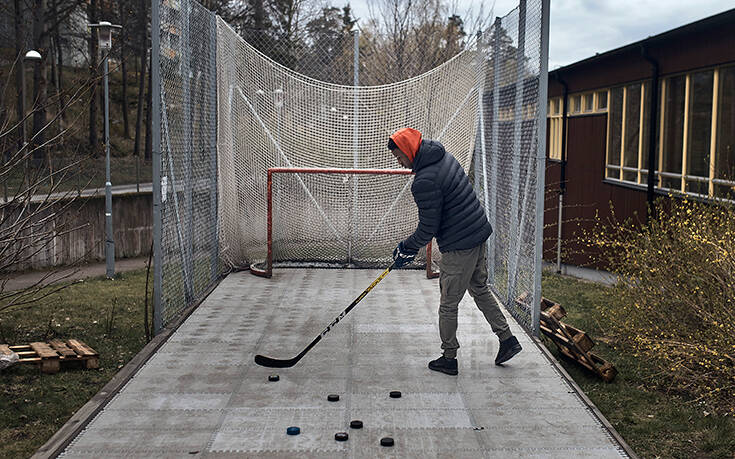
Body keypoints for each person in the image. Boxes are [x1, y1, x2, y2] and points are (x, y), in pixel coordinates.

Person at [388, 127, 522, 375]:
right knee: (479, 289)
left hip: (460, 245)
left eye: (399, 157)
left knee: (448, 304)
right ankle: (508, 340)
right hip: (478, 232)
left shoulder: (424, 181)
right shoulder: (441, 155)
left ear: (409, 151)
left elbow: (428, 228)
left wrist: (407, 247)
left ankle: (449, 358)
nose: (399, 162)